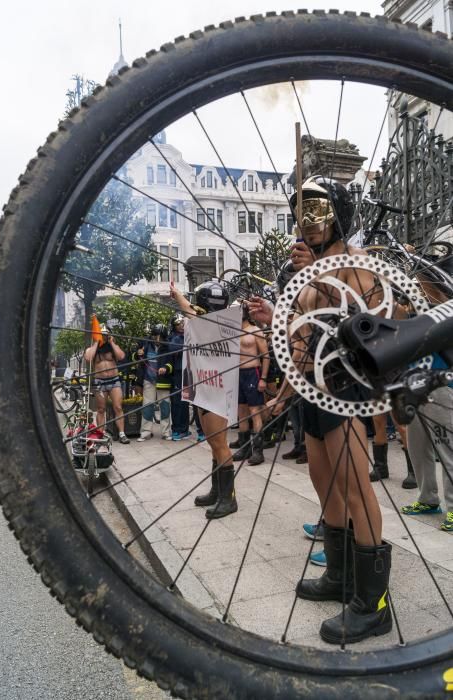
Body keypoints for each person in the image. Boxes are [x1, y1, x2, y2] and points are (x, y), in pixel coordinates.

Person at [250, 176, 391, 645]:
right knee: (321, 478)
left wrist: (328, 283)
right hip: (311, 390)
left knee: (354, 486)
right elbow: (298, 341)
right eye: (301, 212)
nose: (307, 222)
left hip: (344, 386)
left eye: (318, 210)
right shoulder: (306, 276)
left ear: (339, 214)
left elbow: (368, 313)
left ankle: (373, 603)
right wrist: (276, 326)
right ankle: (339, 576)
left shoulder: (355, 262)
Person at [170, 280, 237, 519]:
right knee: (213, 444)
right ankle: (216, 491)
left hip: (216, 391)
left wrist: (177, 295)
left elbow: (189, 311)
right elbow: (190, 311)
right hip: (205, 388)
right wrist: (178, 295)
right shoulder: (214, 321)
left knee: (220, 444)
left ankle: (229, 499)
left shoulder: (217, 325)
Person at [401, 354, 453, 532]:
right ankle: (427, 499)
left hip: (440, 383)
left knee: (447, 451)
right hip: (412, 382)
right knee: (418, 448)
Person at [230, 304, 269, 466]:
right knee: (242, 412)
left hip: (253, 373)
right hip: (238, 374)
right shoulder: (232, 332)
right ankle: (245, 447)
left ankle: (258, 451)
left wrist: (263, 378)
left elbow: (266, 356)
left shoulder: (255, 331)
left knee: (255, 411)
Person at [84, 325, 130, 444]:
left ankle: (122, 433)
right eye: (102, 334)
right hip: (100, 382)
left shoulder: (113, 347)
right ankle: (100, 435)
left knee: (118, 407)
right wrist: (96, 343)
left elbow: (121, 356)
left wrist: (112, 342)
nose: (104, 336)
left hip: (114, 381)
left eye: (106, 334)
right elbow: (88, 358)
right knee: (101, 409)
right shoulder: (92, 348)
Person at [136, 323, 173, 441]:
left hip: (163, 382)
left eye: (160, 336)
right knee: (147, 406)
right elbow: (135, 359)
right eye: (155, 336)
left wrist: (166, 368)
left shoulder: (168, 347)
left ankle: (166, 432)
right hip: (149, 380)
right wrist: (138, 354)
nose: (157, 339)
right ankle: (146, 432)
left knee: (165, 406)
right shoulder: (146, 346)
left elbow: (171, 363)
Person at [168, 314, 192, 441]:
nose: (182, 326)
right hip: (177, 373)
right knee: (177, 402)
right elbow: (173, 348)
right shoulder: (174, 337)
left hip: (188, 371)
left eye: (183, 323)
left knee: (185, 402)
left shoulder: (189, 335)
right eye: (179, 324)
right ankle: (177, 429)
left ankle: (184, 429)